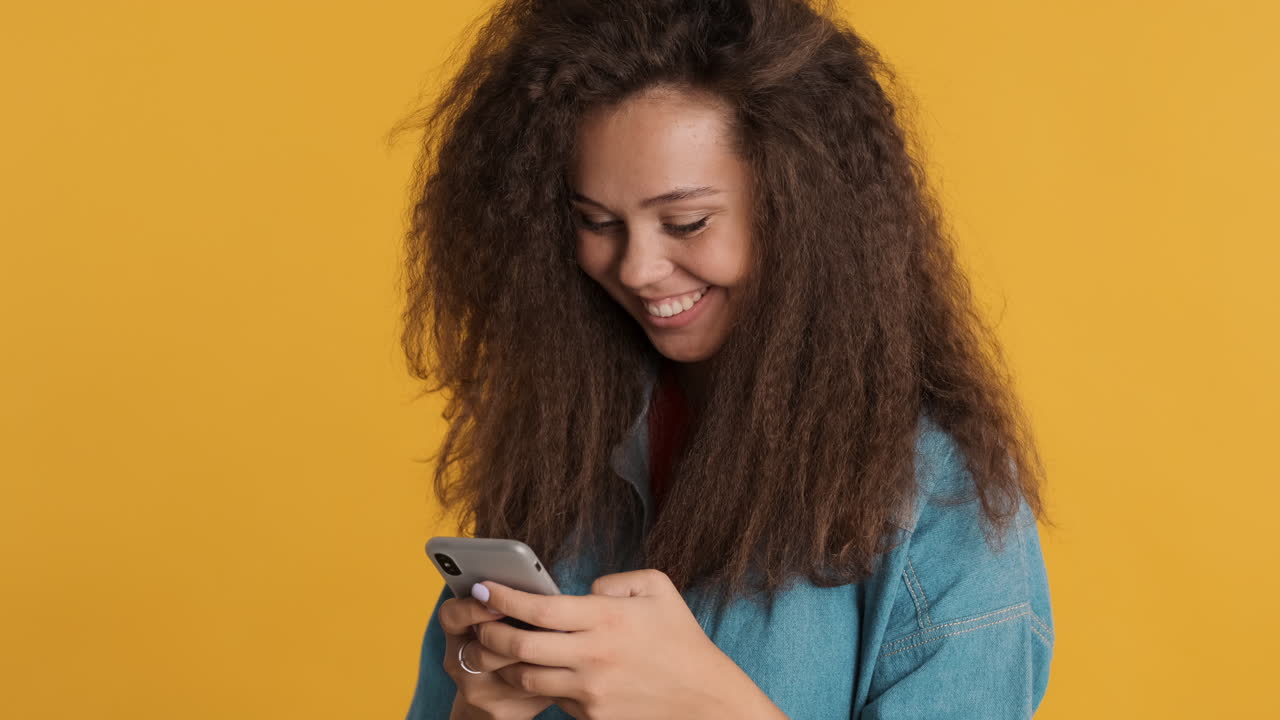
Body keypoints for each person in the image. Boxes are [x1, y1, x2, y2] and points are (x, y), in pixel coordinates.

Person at [396, 0, 1054, 717]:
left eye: (686, 222)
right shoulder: (562, 443)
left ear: (803, 206)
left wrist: (705, 704)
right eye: (597, 222)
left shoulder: (940, 493)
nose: (638, 268)